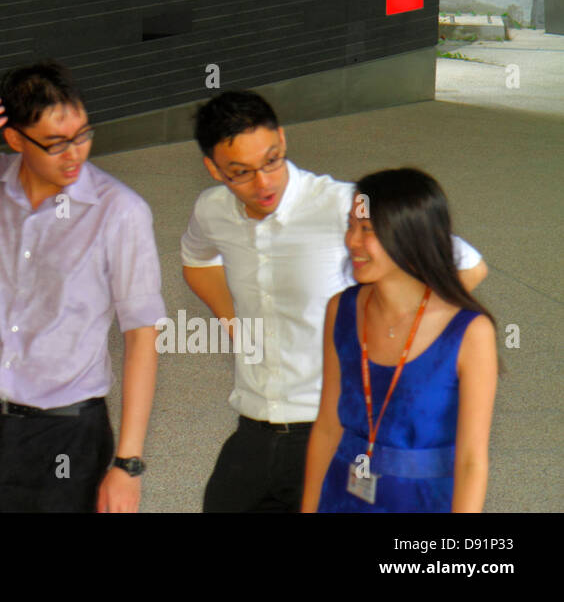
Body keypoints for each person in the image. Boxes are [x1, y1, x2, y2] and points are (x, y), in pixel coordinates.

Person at [179, 90, 487, 512]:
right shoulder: (211, 210)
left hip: (332, 427)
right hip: (253, 423)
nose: (263, 182)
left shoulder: (348, 206)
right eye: (241, 173)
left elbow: (467, 264)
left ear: (282, 140)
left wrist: (395, 344)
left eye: (271, 161)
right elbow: (196, 260)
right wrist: (237, 326)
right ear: (213, 169)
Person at [0, 59, 165, 512]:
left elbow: (142, 334)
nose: (74, 154)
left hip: (64, 436)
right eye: (56, 143)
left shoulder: (119, 212)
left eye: (82, 135)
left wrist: (127, 464)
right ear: (16, 139)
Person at [302, 168, 499, 512]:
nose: (352, 241)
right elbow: (328, 427)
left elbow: (471, 462)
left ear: (410, 236)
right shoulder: (342, 309)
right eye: (350, 225)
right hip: (341, 496)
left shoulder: (469, 332)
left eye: (367, 229)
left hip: (424, 502)